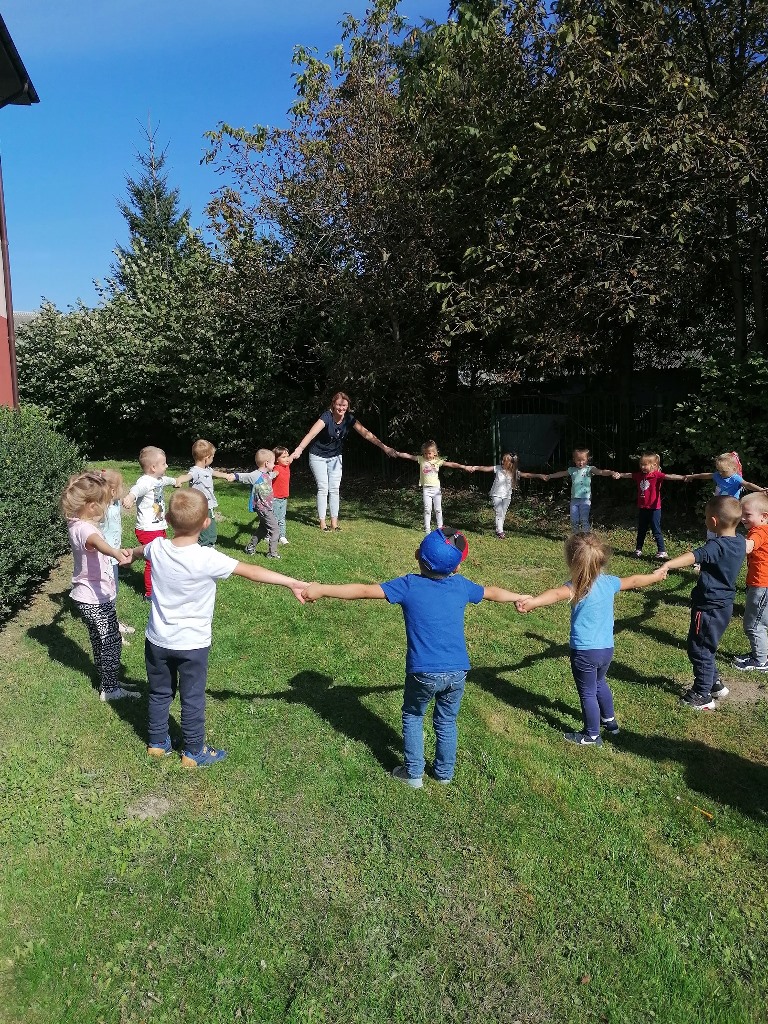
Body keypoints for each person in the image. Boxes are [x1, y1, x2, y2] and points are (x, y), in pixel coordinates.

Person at [302, 527, 531, 788]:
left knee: (413, 715)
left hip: (423, 672)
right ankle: (444, 774)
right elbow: (492, 592)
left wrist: (322, 589)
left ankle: (413, 775)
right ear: (457, 567)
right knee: (446, 721)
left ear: (417, 555)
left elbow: (363, 590)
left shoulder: (408, 585)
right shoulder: (460, 585)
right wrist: (518, 597)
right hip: (458, 671)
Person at [130, 489, 308, 765]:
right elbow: (252, 571)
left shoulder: (158, 547)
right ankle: (194, 752)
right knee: (192, 697)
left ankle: (157, 743)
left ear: (167, 519)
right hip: (193, 645)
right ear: (206, 523)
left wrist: (130, 554)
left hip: (157, 641)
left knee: (159, 692)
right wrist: (291, 582)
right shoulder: (208, 558)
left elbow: (141, 551)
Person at [516, 533, 667, 745]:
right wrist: (655, 576)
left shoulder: (575, 587)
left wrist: (533, 602)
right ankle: (610, 722)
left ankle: (592, 735)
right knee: (599, 683)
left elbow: (555, 594)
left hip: (585, 652)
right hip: (606, 649)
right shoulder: (609, 582)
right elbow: (634, 581)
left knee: (587, 692)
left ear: (572, 561)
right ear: (601, 559)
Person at [661, 496, 747, 709]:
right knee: (706, 646)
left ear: (714, 521)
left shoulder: (717, 546)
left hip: (708, 607)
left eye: (707, 517)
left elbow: (695, 556)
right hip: (724, 605)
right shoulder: (739, 542)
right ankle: (715, 684)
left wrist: (668, 565)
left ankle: (702, 695)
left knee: (699, 649)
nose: (705, 520)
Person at [61, 471, 138, 702]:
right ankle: (110, 690)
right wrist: (115, 552)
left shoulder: (75, 523)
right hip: (95, 598)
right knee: (111, 641)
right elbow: (97, 543)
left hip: (85, 596)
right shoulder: (87, 530)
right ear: (92, 506)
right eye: (104, 504)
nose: (107, 508)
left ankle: (108, 679)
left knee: (99, 640)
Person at [291, 392, 396, 531]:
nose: (341, 408)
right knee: (323, 488)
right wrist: (299, 449)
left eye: (344, 405)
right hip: (318, 456)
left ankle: (334, 523)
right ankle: (322, 523)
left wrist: (384, 447)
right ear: (333, 405)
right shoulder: (326, 417)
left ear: (348, 406)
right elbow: (312, 434)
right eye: (339, 405)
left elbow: (366, 434)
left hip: (335, 457)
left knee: (334, 489)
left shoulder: (349, 419)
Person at [122, 446, 178, 598]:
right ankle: (149, 593)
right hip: (148, 529)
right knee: (153, 560)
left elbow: (168, 480)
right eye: (164, 464)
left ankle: (159, 583)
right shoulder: (145, 481)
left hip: (158, 527)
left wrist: (176, 481)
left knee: (160, 557)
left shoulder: (158, 479)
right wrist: (130, 497)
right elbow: (137, 489)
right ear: (153, 467)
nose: (167, 466)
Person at [612, 451, 685, 560]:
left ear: (654, 465)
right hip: (643, 508)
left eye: (645, 465)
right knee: (641, 529)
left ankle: (662, 551)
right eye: (641, 464)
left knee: (656, 530)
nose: (642, 467)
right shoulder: (639, 475)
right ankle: (638, 550)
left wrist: (683, 477)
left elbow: (670, 476)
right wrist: (619, 475)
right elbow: (629, 475)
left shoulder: (657, 475)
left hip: (654, 509)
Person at [393, 440, 475, 533]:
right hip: (426, 489)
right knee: (427, 509)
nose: (427, 455)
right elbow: (409, 456)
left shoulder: (437, 461)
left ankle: (440, 528)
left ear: (434, 453)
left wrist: (464, 467)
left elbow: (451, 464)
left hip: (436, 489)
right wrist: (397, 453)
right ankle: (427, 529)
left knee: (438, 509)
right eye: (425, 453)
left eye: (429, 453)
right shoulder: (421, 459)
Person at [685, 452, 766, 539]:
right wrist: (692, 476)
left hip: (730, 506)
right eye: (719, 470)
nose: (720, 473)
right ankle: (712, 538)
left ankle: (725, 539)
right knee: (715, 519)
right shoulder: (718, 475)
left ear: (734, 469)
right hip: (719, 503)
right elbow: (705, 475)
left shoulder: (735, 478)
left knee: (726, 523)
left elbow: (747, 484)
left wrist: (760, 489)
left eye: (723, 471)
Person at [732, 491, 768, 672]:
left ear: (764, 517)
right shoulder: (763, 529)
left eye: (747, 514)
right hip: (760, 584)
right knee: (760, 621)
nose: (743, 518)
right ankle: (760, 653)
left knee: (754, 624)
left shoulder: (759, 531)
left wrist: (729, 541)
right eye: (741, 514)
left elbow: (749, 546)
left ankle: (760, 661)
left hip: (762, 585)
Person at [472, 452, 546, 538]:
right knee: (499, 512)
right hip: (496, 494)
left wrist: (539, 475)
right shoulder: (498, 468)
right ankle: (500, 532)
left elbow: (527, 475)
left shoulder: (514, 473)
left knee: (503, 513)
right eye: (502, 460)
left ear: (510, 464)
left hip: (507, 496)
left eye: (504, 461)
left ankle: (499, 530)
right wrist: (476, 467)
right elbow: (486, 468)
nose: (502, 462)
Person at [99, 468, 135, 644]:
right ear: (112, 491)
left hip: (114, 557)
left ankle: (113, 623)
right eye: (121, 487)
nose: (123, 490)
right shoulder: (101, 509)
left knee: (113, 591)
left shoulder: (114, 502)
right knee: (108, 594)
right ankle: (110, 631)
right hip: (105, 558)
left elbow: (120, 499)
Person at [174, 439, 233, 548]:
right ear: (206, 458)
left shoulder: (207, 469)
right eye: (212, 457)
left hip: (208, 505)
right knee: (205, 529)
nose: (213, 459)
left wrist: (226, 476)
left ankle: (208, 544)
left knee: (210, 526)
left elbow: (215, 473)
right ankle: (204, 546)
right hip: (200, 505)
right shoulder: (195, 471)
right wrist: (180, 479)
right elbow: (188, 476)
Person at [543, 447, 617, 533]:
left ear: (587, 459)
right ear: (574, 460)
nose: (581, 462)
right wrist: (550, 476)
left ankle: (586, 536)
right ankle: (576, 536)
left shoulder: (589, 469)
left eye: (583, 460)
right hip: (574, 500)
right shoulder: (572, 470)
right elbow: (561, 473)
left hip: (585, 499)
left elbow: (601, 472)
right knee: (574, 520)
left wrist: (612, 472)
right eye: (578, 460)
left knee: (584, 519)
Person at [230, 449, 281, 559]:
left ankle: (250, 547)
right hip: (263, 508)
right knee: (275, 529)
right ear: (266, 463)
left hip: (267, 507)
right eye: (273, 462)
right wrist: (235, 476)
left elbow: (271, 475)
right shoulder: (255, 475)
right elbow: (245, 476)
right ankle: (272, 554)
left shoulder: (267, 474)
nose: (274, 465)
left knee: (263, 529)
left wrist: (277, 472)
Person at [272, 446, 297, 545]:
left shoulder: (286, 466)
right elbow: (272, 474)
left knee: (282, 518)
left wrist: (295, 453)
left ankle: (282, 536)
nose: (287, 459)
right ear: (276, 460)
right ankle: (270, 536)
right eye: (283, 457)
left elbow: (291, 458)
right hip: (275, 499)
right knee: (274, 519)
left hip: (284, 498)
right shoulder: (277, 468)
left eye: (287, 456)